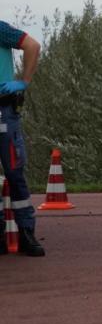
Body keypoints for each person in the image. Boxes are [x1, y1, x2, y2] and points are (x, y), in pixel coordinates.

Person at [0, 21, 44, 256]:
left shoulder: (0, 29)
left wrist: (24, 82)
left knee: (15, 171)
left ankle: (26, 232)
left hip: (4, 109)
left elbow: (32, 46)